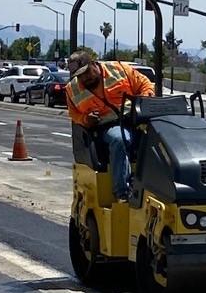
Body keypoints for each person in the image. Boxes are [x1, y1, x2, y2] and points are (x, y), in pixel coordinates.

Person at [65, 51, 155, 201]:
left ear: (94, 64)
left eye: (86, 73)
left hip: (136, 118)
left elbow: (144, 83)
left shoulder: (118, 69)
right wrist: (86, 119)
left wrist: (144, 101)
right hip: (107, 126)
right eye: (79, 76)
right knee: (119, 140)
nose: (84, 78)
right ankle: (122, 192)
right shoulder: (71, 89)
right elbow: (74, 115)